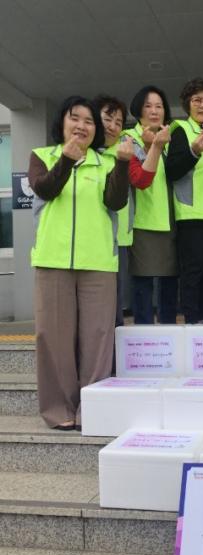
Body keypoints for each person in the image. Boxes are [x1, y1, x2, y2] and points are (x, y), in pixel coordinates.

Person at [29, 95, 132, 430]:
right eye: (75, 118)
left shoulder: (106, 162)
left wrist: (122, 165)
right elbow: (45, 189)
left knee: (98, 338)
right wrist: (66, 160)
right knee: (53, 337)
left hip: (98, 261)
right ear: (62, 122)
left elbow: (116, 201)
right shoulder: (42, 156)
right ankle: (59, 409)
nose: (82, 126)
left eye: (89, 121)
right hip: (53, 259)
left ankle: (94, 408)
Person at [165, 78, 203, 324]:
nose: (202, 105)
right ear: (187, 104)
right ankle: (191, 321)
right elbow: (172, 170)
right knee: (193, 272)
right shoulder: (180, 129)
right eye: (197, 100)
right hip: (191, 215)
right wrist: (194, 151)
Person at [124, 85, 178, 324]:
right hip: (141, 221)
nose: (154, 111)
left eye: (159, 106)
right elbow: (139, 178)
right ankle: (143, 334)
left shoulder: (171, 138)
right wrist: (150, 147)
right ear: (138, 110)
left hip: (170, 220)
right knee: (142, 283)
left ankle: (168, 333)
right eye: (148, 106)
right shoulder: (130, 138)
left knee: (170, 282)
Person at [94, 94, 132, 326]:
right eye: (108, 119)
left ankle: (113, 349)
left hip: (118, 241)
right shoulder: (80, 155)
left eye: (118, 122)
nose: (112, 126)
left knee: (114, 302)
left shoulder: (124, 154)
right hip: (89, 242)